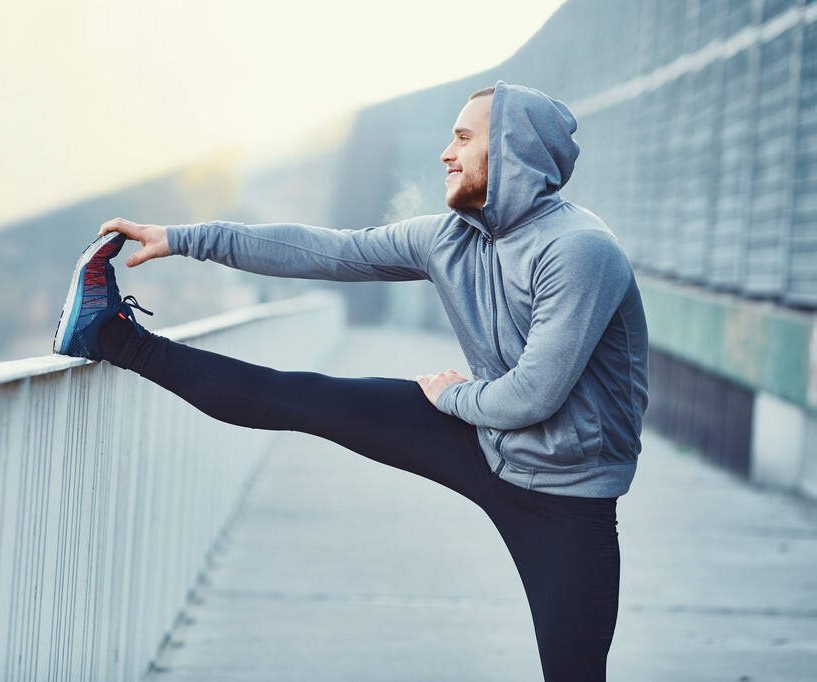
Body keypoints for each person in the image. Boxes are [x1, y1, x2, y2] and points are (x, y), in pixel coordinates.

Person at [52, 80, 648, 682]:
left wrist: (452, 396)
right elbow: (324, 252)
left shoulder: (579, 251)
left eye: (464, 138)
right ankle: (110, 338)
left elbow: (533, 395)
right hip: (486, 444)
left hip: (569, 499)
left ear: (514, 151)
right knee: (302, 397)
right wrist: (182, 239)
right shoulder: (450, 238)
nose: (446, 153)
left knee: (574, 673)